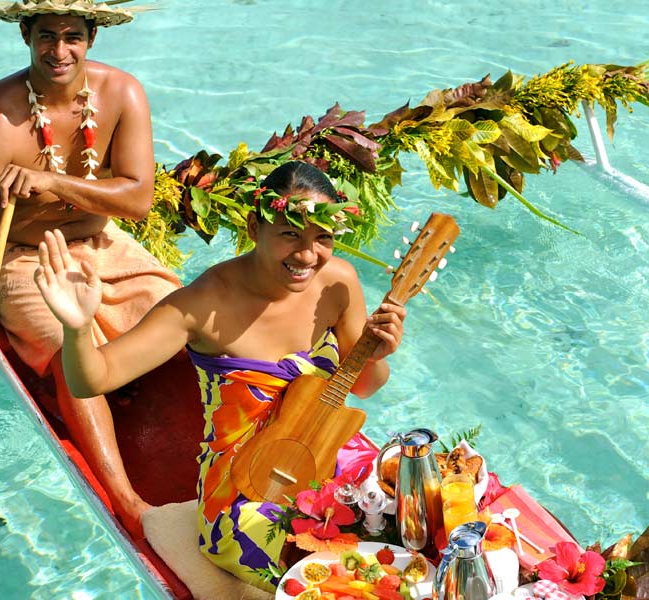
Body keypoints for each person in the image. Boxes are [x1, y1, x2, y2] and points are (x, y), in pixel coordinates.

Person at [36, 161, 407, 590]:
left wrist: (376, 355)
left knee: (410, 516)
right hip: (245, 489)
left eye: (322, 238)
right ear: (253, 227)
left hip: (330, 451)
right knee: (316, 574)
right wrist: (78, 325)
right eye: (290, 234)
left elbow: (366, 386)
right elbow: (93, 379)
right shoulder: (202, 305)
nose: (308, 256)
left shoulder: (338, 282)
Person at [0, 0, 178, 537]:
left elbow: (138, 200)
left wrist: (52, 182)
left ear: (91, 38)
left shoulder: (122, 93)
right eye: (46, 36)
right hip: (21, 255)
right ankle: (127, 502)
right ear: (25, 34)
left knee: (178, 315)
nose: (59, 50)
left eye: (72, 36)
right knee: (70, 345)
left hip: (103, 242)